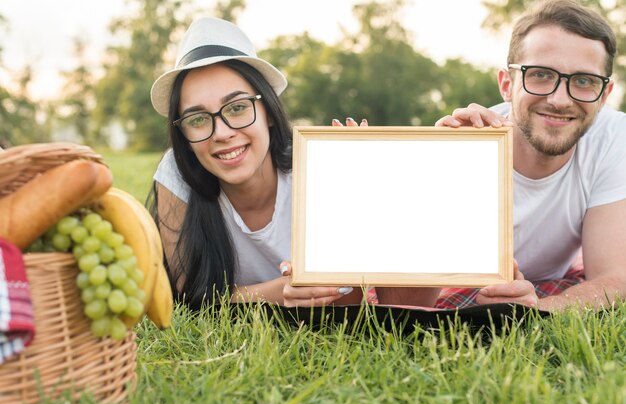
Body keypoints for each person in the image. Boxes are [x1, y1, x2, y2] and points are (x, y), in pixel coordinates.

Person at [149, 17, 441, 310]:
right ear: (183, 133)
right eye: (197, 119)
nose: (223, 133)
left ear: (270, 113)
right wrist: (279, 292)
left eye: (237, 108)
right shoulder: (176, 173)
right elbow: (189, 294)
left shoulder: (315, 167)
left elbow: (345, 302)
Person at [436, 0, 626, 311]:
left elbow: (615, 278)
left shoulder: (614, 136)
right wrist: (433, 172)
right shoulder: (466, 147)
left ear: (604, 95)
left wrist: (536, 309)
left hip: (552, 284)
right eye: (540, 75)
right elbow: (414, 298)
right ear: (507, 85)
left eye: (583, 81)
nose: (560, 100)